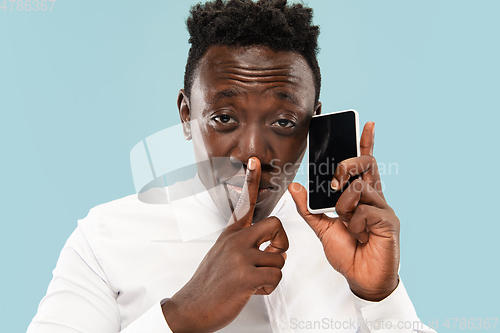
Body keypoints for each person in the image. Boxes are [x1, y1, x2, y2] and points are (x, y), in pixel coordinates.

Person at [27, 1, 436, 332]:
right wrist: (182, 316)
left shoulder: (350, 237)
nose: (253, 153)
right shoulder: (104, 240)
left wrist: (382, 299)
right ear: (187, 116)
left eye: (284, 122)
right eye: (224, 118)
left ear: (314, 123)